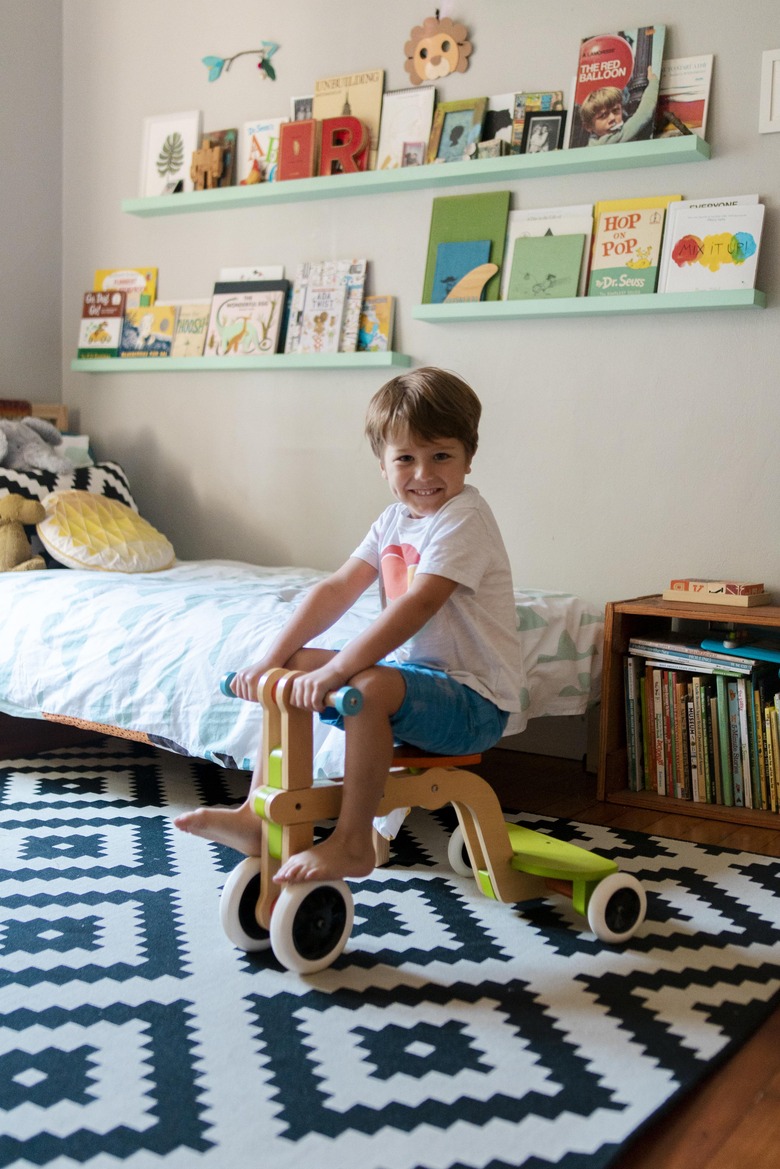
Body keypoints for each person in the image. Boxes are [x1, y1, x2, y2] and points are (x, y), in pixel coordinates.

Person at [174, 367, 525, 884]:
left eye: (441, 456)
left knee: (369, 682)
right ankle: (256, 814)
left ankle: (353, 841)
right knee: (295, 667)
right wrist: (273, 658)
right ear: (383, 466)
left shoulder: (464, 517)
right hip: (426, 687)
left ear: (468, 457)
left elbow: (420, 604)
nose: (423, 473)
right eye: (405, 458)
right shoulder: (391, 521)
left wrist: (339, 667)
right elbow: (337, 589)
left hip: (475, 702)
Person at [579, 67, 659, 145]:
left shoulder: (593, 141)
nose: (612, 118)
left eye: (616, 110)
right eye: (603, 115)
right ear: (588, 126)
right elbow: (643, 115)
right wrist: (654, 82)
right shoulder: (608, 141)